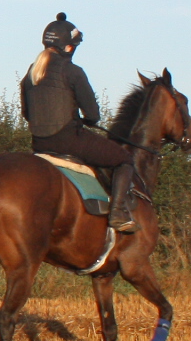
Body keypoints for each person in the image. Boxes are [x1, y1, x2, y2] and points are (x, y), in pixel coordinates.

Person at [19, 12, 140, 232]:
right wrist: (86, 121)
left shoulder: (31, 74)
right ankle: (118, 214)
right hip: (68, 140)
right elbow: (93, 114)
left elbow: (27, 113)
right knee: (124, 160)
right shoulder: (73, 72)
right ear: (69, 48)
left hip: (39, 144)